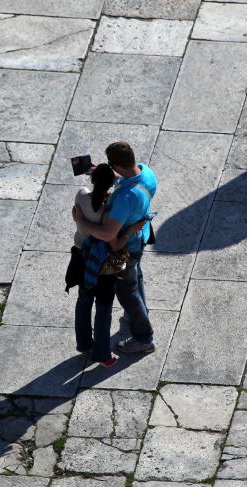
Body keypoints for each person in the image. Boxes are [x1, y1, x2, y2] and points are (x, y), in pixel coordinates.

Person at [73, 142, 157, 354]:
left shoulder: (124, 198)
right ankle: (137, 313)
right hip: (141, 237)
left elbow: (107, 234)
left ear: (117, 165)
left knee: (127, 293)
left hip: (126, 248)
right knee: (136, 279)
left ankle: (144, 338)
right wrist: (104, 173)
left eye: (111, 165)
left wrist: (80, 221)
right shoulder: (146, 173)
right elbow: (127, 180)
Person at [69, 164, 144, 367]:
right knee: (103, 309)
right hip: (102, 264)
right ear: (110, 185)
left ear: (92, 180)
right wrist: (133, 229)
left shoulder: (81, 194)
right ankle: (102, 354)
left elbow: (88, 203)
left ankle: (84, 343)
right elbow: (115, 244)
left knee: (83, 300)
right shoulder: (109, 212)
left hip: (80, 255)